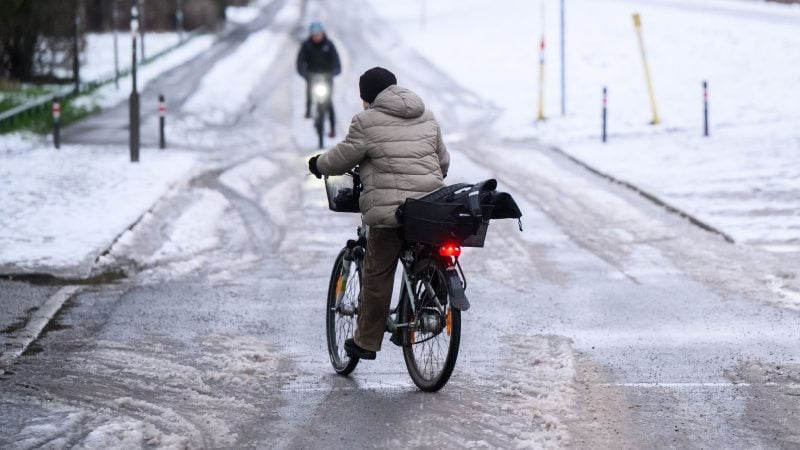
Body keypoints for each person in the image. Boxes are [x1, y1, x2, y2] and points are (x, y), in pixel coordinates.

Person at [308, 67, 450, 360]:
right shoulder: (426, 114)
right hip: (430, 209)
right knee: (427, 252)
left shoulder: (365, 121)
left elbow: (341, 158)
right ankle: (427, 308)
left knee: (377, 272)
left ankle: (366, 342)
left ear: (367, 98)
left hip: (391, 213)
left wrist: (318, 164)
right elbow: (443, 161)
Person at [296, 21, 341, 137]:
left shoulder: (329, 45)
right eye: (314, 35)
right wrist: (304, 74)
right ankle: (308, 109)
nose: (316, 37)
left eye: (318, 34)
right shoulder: (306, 45)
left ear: (322, 33)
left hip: (327, 77)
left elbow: (337, 63)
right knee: (309, 92)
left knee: (329, 102)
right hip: (312, 76)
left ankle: (332, 128)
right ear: (311, 35)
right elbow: (300, 62)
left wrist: (334, 72)